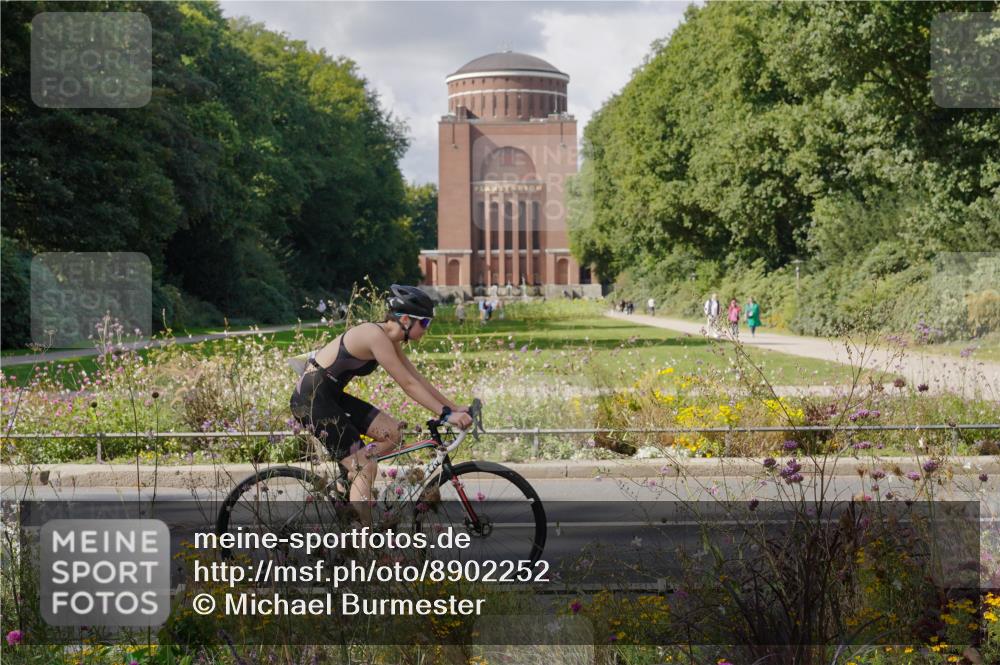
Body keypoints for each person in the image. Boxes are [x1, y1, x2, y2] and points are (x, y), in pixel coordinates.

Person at [289, 285, 473, 516]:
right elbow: (407, 384)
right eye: (425, 323)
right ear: (405, 319)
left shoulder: (390, 338)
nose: (427, 329)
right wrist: (446, 415)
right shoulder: (375, 336)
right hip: (311, 401)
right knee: (365, 467)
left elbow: (416, 377)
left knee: (393, 433)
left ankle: (348, 480)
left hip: (329, 397)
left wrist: (452, 407)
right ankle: (361, 546)